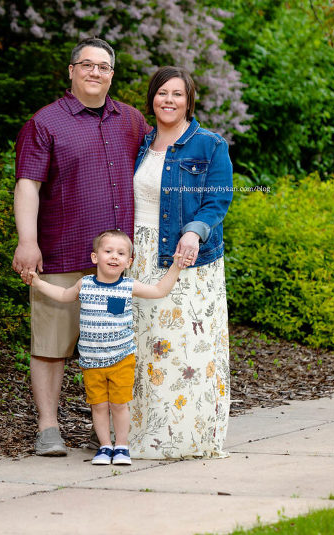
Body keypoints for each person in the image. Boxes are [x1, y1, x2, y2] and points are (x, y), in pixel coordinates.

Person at [12, 37, 151, 456]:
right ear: (71, 71)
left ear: (112, 74)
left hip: (116, 265)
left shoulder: (131, 120)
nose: (95, 72)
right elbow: (27, 184)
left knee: (116, 349)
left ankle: (106, 431)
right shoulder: (45, 122)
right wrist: (27, 241)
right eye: (87, 64)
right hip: (61, 252)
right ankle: (48, 428)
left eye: (103, 66)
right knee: (51, 346)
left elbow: (160, 165)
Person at [128, 65, 233, 459]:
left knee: (185, 349)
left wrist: (194, 231)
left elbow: (219, 199)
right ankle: (141, 433)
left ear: (189, 101)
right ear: (152, 98)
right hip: (138, 256)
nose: (168, 100)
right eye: (162, 93)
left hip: (185, 258)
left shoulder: (209, 145)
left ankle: (187, 437)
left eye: (177, 94)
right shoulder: (142, 143)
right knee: (144, 346)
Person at [25, 230, 188, 465]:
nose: (114, 256)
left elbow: (159, 291)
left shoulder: (128, 286)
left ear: (129, 262)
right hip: (92, 361)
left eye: (121, 253)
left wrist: (176, 267)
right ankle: (104, 447)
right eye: (108, 251)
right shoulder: (85, 284)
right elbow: (62, 294)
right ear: (95, 257)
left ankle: (121, 446)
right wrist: (38, 283)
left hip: (121, 358)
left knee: (119, 405)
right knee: (99, 406)